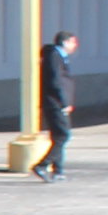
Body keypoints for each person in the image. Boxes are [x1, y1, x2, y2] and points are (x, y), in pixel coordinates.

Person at [34, 30, 79, 179]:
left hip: (57, 102)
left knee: (57, 136)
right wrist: (64, 102)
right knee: (63, 135)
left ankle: (58, 170)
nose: (75, 46)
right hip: (55, 102)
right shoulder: (54, 56)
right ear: (65, 42)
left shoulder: (59, 56)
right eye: (73, 42)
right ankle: (42, 165)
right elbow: (56, 81)